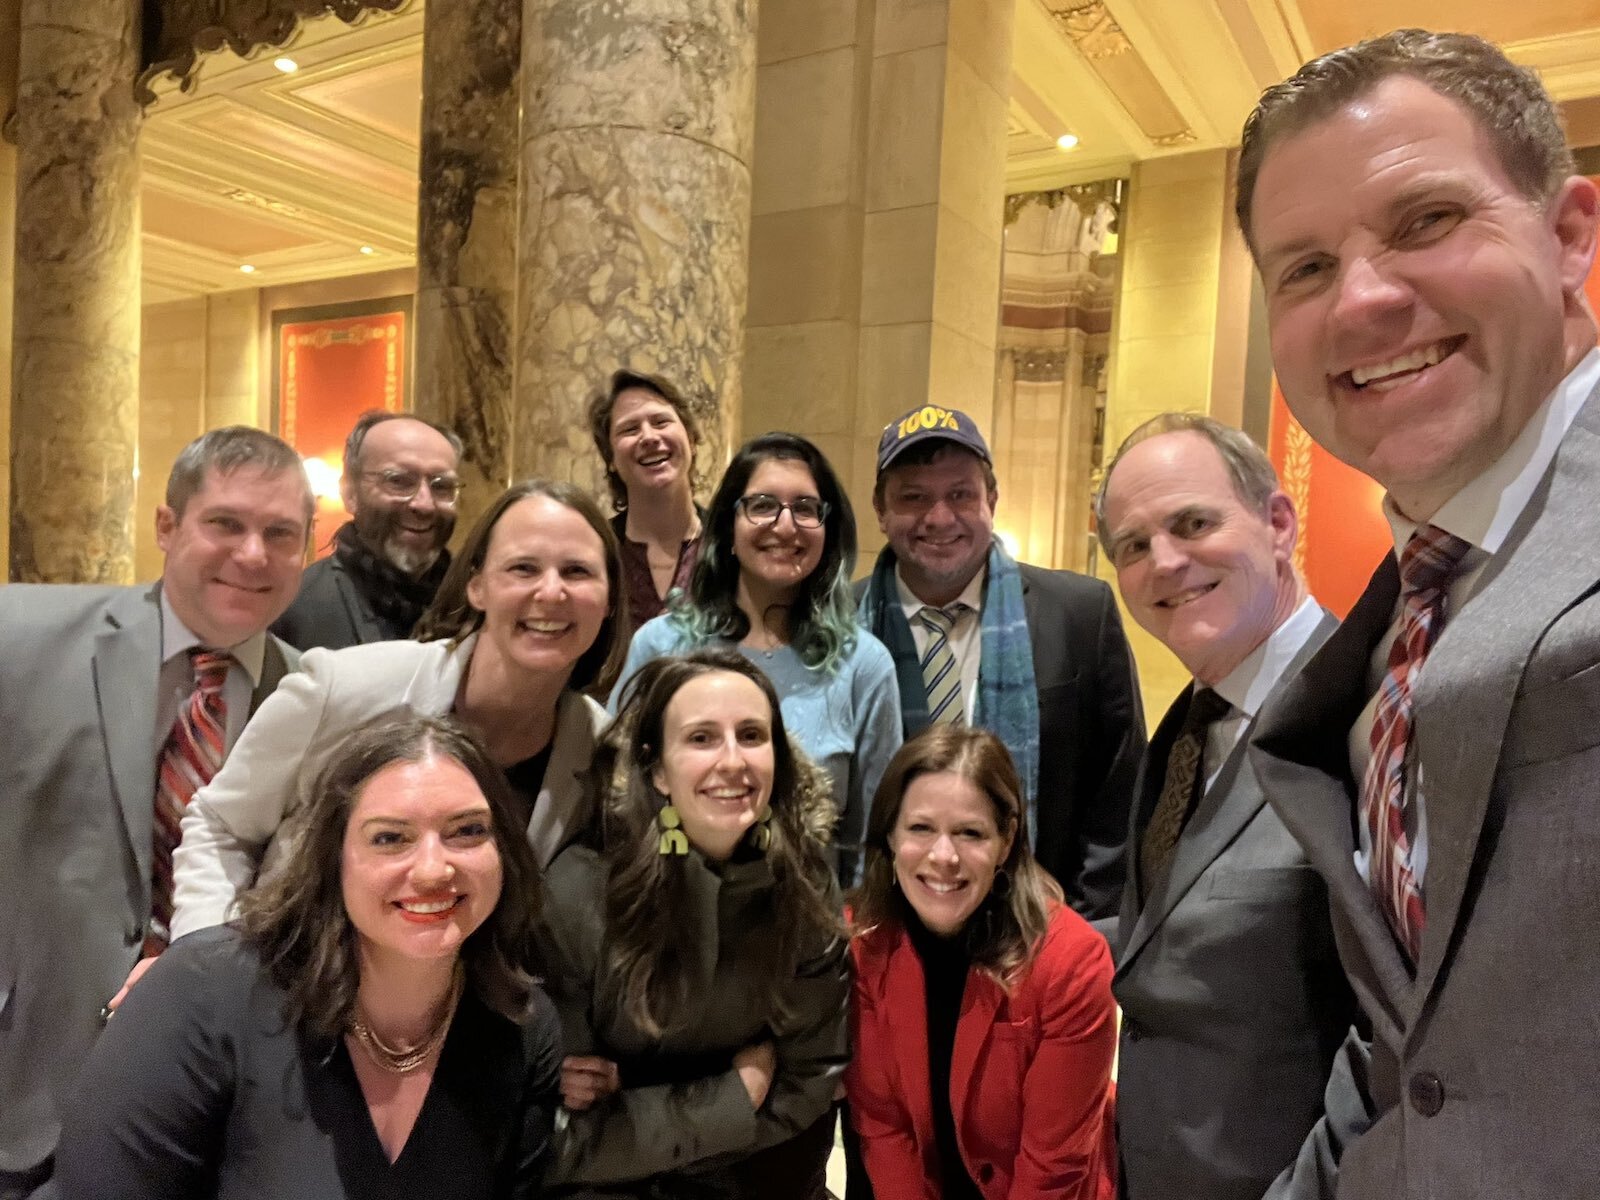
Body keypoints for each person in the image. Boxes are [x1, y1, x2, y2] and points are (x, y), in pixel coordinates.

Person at [1238, 29, 1600, 1199]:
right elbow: (1417, 1044)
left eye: (1425, 222)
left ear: (1569, 237)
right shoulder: (1392, 633)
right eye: (1301, 268)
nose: (1363, 301)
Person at [53, 714, 564, 1199]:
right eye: (390, 838)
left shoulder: (523, 1027)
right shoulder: (203, 992)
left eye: (467, 831)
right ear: (332, 858)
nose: (433, 869)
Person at [0, 426, 312, 1199]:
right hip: (24, 1081)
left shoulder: (320, 702)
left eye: (281, 534)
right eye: (226, 525)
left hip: (215, 1111)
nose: (252, 555)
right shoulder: (17, 636)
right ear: (167, 528)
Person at [164, 480, 625, 951]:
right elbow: (223, 827)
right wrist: (204, 969)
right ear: (478, 586)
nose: (551, 592)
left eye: (577, 572)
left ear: (609, 601)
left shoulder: (597, 746)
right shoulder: (345, 688)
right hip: (287, 987)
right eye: (523, 568)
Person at [1094, 414, 1355, 1200]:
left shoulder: (1367, 716)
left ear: (1278, 523)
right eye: (1132, 546)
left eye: (1193, 523)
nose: (1164, 562)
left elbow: (1404, 1037)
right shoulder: (1187, 723)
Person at [538, 649, 850, 1197]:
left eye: (752, 735)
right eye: (702, 738)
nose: (733, 760)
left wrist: (637, 1109)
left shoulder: (806, 885)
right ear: (657, 769)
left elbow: (807, 1083)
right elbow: (561, 1137)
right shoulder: (580, 892)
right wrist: (728, 1100)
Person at [857, 404, 1145, 922]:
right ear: (880, 510)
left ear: (991, 498)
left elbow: (1119, 790)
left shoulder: (1079, 613)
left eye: (960, 494)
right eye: (913, 497)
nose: (939, 517)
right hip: (880, 935)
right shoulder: (839, 627)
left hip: (1041, 935)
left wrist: (1077, 928)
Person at [614, 431, 902, 884]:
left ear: (828, 532)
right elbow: (619, 801)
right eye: (762, 505)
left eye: (806, 509)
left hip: (807, 931)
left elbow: (876, 839)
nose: (785, 526)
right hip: (668, 918)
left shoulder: (863, 664)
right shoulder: (660, 647)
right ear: (728, 526)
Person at [846, 725, 1117, 1200]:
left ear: (1006, 841)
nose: (943, 856)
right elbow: (884, 1129)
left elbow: (1052, 1170)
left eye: (970, 833)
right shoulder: (864, 943)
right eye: (921, 828)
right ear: (890, 835)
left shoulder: (1073, 963)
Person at [272, 410, 463, 651]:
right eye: (399, 481)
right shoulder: (291, 606)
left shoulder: (480, 604)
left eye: (442, 486)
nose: (424, 504)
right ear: (350, 494)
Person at [586, 369, 706, 638]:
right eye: (630, 429)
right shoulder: (593, 552)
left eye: (661, 422)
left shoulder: (731, 546)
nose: (649, 437)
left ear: (692, 439)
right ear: (611, 460)